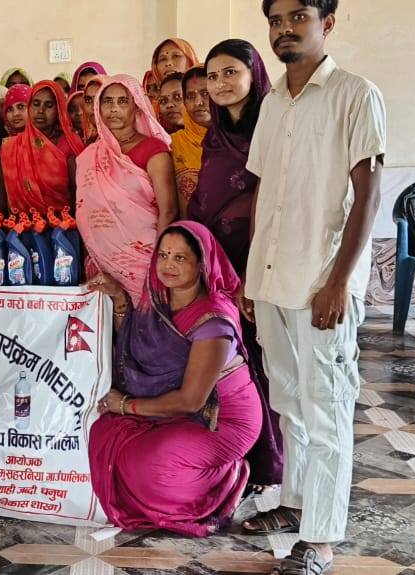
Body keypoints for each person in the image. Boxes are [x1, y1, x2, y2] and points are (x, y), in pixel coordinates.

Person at [238, 2, 386, 573]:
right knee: (288, 400)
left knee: (326, 408)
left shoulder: (355, 94)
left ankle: (320, 539)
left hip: (322, 282)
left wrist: (339, 281)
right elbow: (264, 191)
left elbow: (368, 194)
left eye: (298, 16)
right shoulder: (273, 101)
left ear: (327, 22)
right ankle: (297, 503)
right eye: (275, 20)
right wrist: (253, 274)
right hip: (273, 278)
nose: (284, 29)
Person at [87, 221, 262, 537]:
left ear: (202, 264)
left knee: (150, 467)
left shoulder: (213, 319)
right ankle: (187, 476)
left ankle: (226, 480)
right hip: (176, 412)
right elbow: (135, 347)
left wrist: (126, 405)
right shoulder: (157, 300)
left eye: (180, 258)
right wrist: (120, 299)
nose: (168, 265)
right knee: (105, 433)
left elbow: (191, 400)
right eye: (164, 255)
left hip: (221, 418)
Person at [188, 38, 284, 495]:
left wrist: (254, 272)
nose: (220, 83)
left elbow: (273, 201)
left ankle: (269, 463)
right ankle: (234, 456)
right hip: (217, 265)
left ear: (253, 73)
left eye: (231, 72)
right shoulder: (215, 136)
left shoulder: (271, 127)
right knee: (228, 364)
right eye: (213, 75)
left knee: (261, 361)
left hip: (256, 264)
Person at [77, 75, 175, 301]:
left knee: (146, 316)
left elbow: (168, 211)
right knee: (108, 318)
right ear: (98, 107)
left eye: (123, 101)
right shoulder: (90, 154)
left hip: (145, 259)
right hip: (101, 260)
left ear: (136, 107)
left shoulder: (154, 150)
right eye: (107, 101)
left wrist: (160, 260)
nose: (114, 109)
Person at [0, 80, 84, 215]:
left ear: (59, 110)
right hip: (20, 224)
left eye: (49, 105)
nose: (40, 111)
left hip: (63, 224)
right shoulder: (10, 147)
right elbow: (2, 201)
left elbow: (80, 197)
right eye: (36, 104)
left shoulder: (70, 143)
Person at [172, 66, 210, 217]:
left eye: (205, 93)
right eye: (190, 96)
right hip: (190, 228)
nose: (198, 102)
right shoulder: (173, 143)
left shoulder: (237, 141)